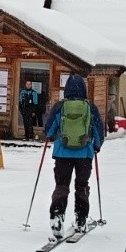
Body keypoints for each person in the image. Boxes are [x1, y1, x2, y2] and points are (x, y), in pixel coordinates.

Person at [44, 74, 105, 238]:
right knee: (81, 185)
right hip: (84, 154)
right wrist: (97, 145)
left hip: (62, 153)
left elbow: (49, 130)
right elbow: (98, 129)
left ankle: (57, 215)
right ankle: (81, 218)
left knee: (62, 185)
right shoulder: (90, 107)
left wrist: (50, 136)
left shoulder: (59, 106)